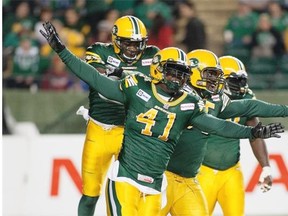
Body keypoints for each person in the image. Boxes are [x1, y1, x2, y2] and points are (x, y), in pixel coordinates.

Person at [40, 21, 284, 215]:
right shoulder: (137, 88)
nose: (177, 78)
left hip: (164, 184)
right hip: (134, 176)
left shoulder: (192, 103)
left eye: (181, 73)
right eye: (172, 72)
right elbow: (96, 79)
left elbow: (222, 123)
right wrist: (62, 51)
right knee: (92, 190)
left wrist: (253, 132)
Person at [160, 50, 288, 216]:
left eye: (216, 75)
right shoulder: (181, 98)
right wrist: (252, 132)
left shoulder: (212, 98)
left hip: (189, 179)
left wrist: (284, 111)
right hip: (164, 174)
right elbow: (220, 127)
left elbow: (248, 106)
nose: (214, 80)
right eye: (211, 74)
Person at [79, 15, 159, 216]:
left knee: (134, 190)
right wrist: (124, 75)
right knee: (90, 194)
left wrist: (121, 73)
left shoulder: (153, 55)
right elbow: (96, 76)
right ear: (115, 40)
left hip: (133, 135)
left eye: (137, 44)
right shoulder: (99, 50)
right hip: (101, 130)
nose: (133, 48)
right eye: (128, 43)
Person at [197, 55, 275, 216]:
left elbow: (256, 133)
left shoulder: (246, 98)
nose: (241, 86)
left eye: (242, 81)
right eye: (235, 81)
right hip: (202, 171)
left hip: (232, 171)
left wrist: (265, 166)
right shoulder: (204, 96)